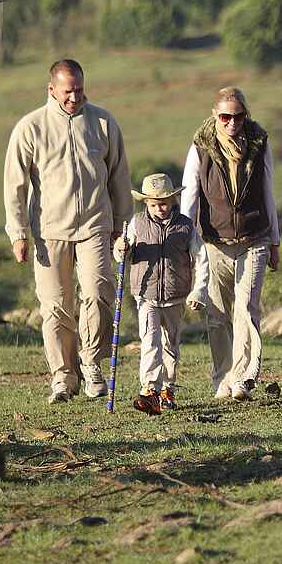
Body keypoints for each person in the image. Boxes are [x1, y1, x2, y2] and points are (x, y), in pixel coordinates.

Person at [2, 58, 132, 402]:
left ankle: (91, 364)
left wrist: (122, 225)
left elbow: (119, 176)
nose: (74, 98)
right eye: (68, 92)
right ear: (51, 90)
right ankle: (63, 377)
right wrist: (17, 232)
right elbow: (14, 184)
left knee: (99, 291)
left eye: (79, 90)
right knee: (56, 306)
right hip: (49, 230)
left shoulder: (103, 122)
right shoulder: (31, 127)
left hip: (95, 225)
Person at [179, 85, 281, 399]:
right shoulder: (201, 147)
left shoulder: (259, 143)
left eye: (237, 117)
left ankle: (244, 378)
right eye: (225, 117)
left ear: (245, 116)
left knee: (246, 308)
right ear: (215, 116)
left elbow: (268, 191)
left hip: (254, 237)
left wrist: (274, 240)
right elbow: (190, 195)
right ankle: (222, 377)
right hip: (213, 241)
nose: (231, 123)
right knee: (217, 314)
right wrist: (184, 240)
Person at [121, 172, 199, 413]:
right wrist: (121, 249)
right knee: (150, 341)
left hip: (176, 295)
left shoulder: (185, 226)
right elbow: (124, 252)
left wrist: (199, 291)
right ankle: (149, 389)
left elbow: (200, 257)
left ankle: (168, 389)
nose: (160, 208)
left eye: (164, 203)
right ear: (146, 203)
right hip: (146, 295)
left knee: (170, 344)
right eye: (154, 204)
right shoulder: (136, 223)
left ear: (173, 201)